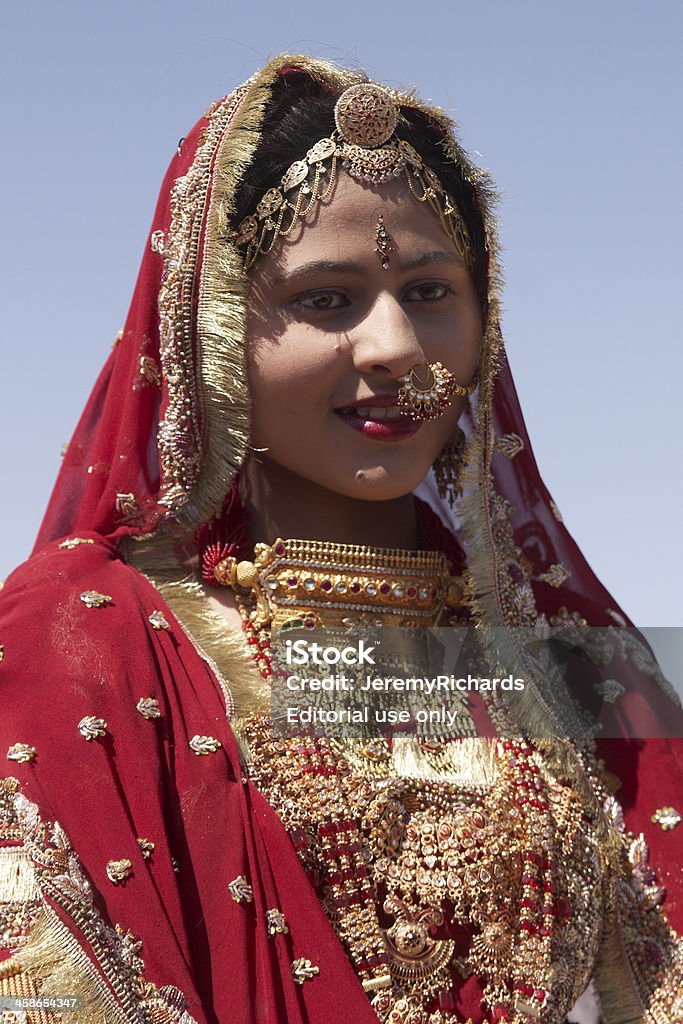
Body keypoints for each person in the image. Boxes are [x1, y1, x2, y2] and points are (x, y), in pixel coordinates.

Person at [0, 54, 681, 1024]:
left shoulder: (569, 667)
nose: (395, 346)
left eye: (432, 291)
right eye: (327, 299)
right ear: (214, 329)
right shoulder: (87, 639)